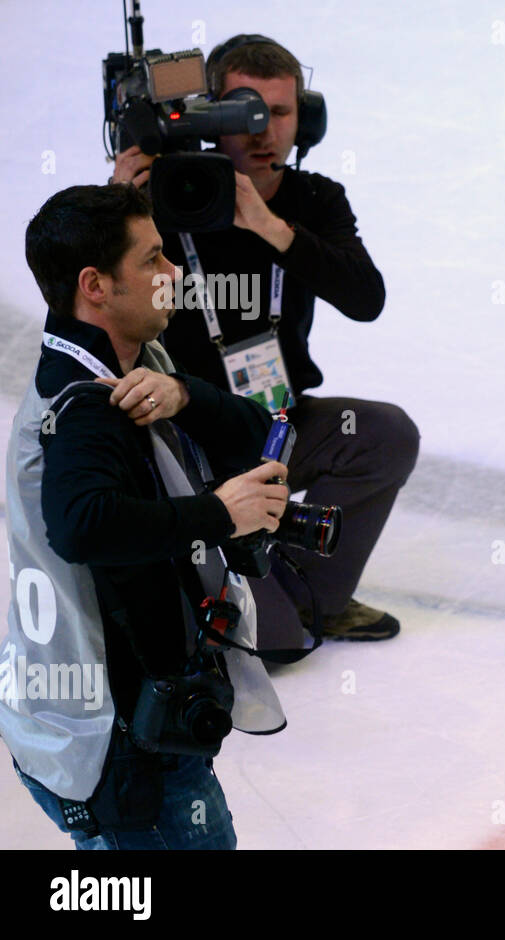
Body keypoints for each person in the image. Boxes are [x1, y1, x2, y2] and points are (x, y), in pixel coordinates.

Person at [1, 183, 290, 848]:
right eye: (154, 260)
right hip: (114, 741)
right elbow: (83, 525)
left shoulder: (137, 362)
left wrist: (186, 395)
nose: (174, 275)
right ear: (95, 285)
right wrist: (219, 513)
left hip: (131, 721)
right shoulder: (84, 409)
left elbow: (260, 430)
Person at [112, 34, 419, 645]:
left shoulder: (314, 199)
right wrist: (117, 207)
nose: (262, 130)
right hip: (188, 438)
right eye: (242, 111)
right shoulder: (161, 203)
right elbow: (92, 303)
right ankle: (258, 589)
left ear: (305, 120)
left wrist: (269, 226)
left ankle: (313, 596)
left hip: (276, 423)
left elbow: (366, 299)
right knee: (271, 646)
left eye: (278, 112)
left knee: (383, 434)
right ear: (205, 119)